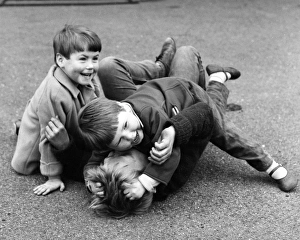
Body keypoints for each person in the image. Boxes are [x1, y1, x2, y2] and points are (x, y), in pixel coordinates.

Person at [77, 44, 298, 217]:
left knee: (107, 67)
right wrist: (171, 136)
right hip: (190, 97)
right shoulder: (161, 169)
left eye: (108, 156)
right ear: (142, 171)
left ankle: (159, 67)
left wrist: (90, 181)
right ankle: (269, 164)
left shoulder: (125, 132)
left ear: (122, 106)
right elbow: (203, 117)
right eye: (118, 152)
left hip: (157, 93)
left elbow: (90, 160)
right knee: (224, 131)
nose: (109, 156)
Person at [11, 24, 103, 196]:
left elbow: (95, 101)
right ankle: (23, 129)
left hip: (66, 123)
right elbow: (49, 135)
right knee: (29, 159)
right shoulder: (54, 93)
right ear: (61, 60)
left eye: (95, 58)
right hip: (40, 143)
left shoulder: (82, 75)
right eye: (83, 59)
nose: (90, 66)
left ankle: (22, 125)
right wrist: (53, 176)